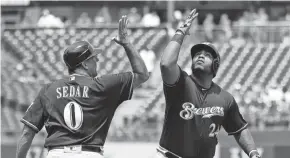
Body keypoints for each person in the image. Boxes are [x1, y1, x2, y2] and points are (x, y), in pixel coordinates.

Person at [16, 15, 149, 158]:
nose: (97, 59)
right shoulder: (103, 85)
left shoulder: (48, 90)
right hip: (89, 154)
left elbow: (27, 133)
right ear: (85, 64)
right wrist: (126, 43)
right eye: (93, 58)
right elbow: (142, 74)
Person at [157, 9, 261, 158]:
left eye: (206, 55)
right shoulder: (181, 82)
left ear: (215, 65)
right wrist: (180, 32)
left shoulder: (225, 98)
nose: (200, 56)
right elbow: (166, 64)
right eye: (197, 54)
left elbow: (239, 128)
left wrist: (253, 152)